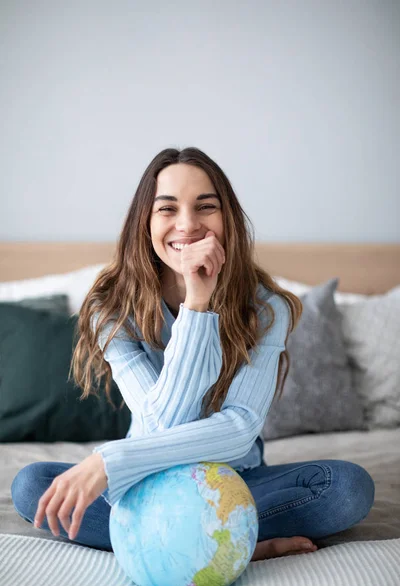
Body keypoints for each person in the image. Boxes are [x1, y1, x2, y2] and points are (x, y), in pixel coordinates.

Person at [11, 147, 375, 560]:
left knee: (345, 488)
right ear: (145, 223)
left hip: (234, 482)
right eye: (167, 209)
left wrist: (108, 463)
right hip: (146, 482)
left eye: (206, 207)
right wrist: (198, 305)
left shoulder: (265, 307)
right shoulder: (111, 309)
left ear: (228, 220)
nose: (187, 225)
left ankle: (162, 542)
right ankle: (237, 545)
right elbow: (162, 426)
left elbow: (239, 431)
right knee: (33, 486)